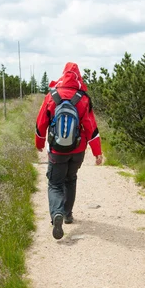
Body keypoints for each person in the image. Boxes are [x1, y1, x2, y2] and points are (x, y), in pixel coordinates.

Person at [35, 62, 103, 240]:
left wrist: (40, 142)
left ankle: (56, 213)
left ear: (63, 74)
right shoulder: (83, 98)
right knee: (70, 179)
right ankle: (67, 214)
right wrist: (97, 152)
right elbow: (91, 127)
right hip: (78, 149)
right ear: (78, 76)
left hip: (57, 150)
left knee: (55, 183)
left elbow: (41, 122)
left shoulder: (52, 95)